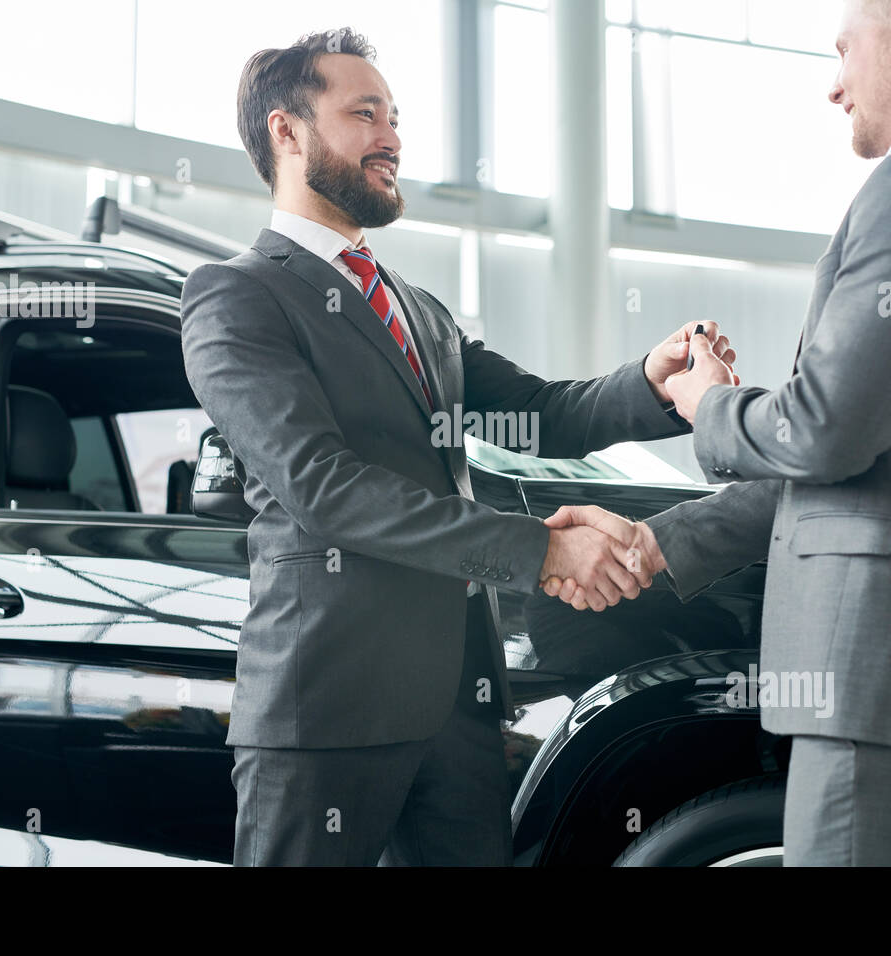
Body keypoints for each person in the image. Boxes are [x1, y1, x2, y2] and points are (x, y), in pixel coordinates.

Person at [545, 0, 891, 866]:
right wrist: (655, 544)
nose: (834, 86)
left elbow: (824, 431)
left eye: (842, 50)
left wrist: (710, 404)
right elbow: (863, 464)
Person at [179, 28, 736, 865]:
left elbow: (537, 412)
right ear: (286, 133)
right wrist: (538, 553)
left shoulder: (416, 308)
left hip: (459, 708)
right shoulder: (235, 295)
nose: (392, 137)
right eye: (364, 113)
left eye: (394, 116)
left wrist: (651, 384)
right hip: (329, 708)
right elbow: (323, 486)